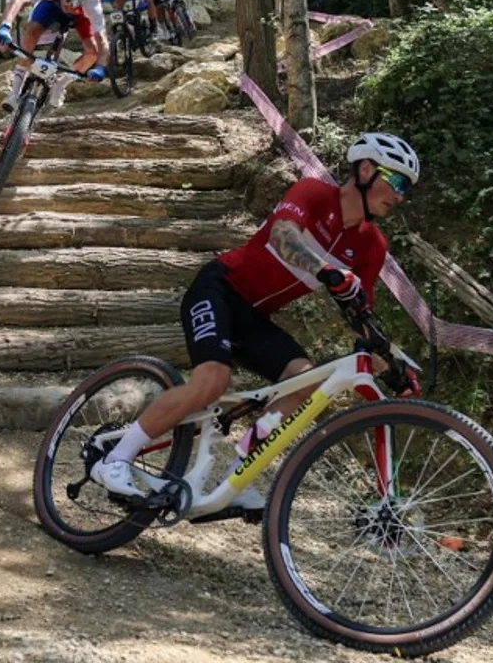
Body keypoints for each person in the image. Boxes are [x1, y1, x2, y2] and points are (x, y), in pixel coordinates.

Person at [89, 132, 422, 508]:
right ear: (364, 170)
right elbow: (283, 236)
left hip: (254, 317)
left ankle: (237, 472)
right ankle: (115, 458)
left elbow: (361, 313)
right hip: (218, 289)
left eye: (406, 188)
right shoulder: (313, 194)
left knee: (305, 382)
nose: (399, 195)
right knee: (214, 379)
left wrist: (391, 364)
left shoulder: (372, 244)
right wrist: (325, 270)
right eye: (395, 181)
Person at [0, 0, 109, 113]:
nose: (70, 6)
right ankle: (14, 91)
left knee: (92, 52)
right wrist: (5, 26)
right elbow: (19, 0)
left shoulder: (92, 2)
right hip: (52, 4)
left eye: (75, 2)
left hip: (81, 16)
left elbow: (103, 41)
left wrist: (100, 67)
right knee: (31, 32)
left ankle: (61, 84)